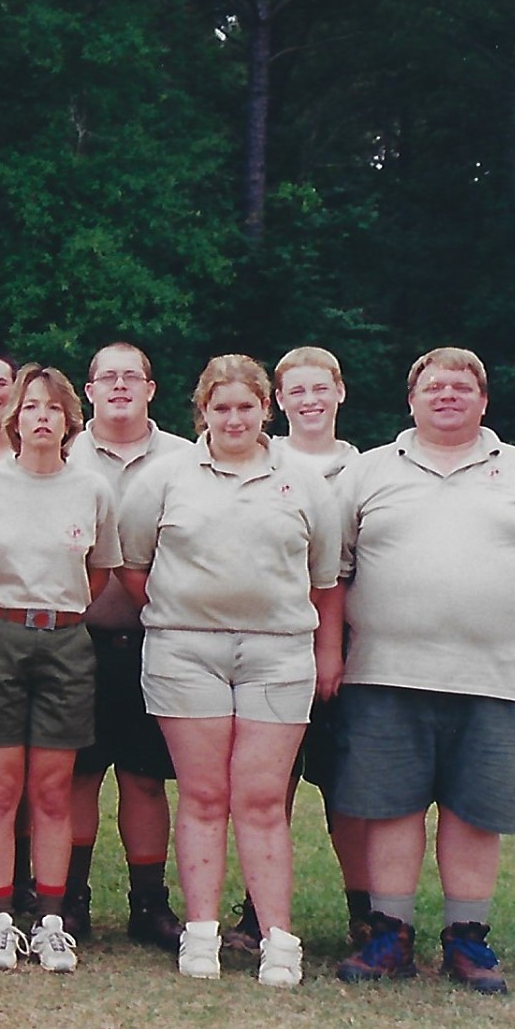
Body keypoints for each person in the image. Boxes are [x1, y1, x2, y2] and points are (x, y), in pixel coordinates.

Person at [117, 355, 340, 987]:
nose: (234, 418)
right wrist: (185, 615)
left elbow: (322, 578)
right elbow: (135, 565)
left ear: (266, 408)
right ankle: (202, 932)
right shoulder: (164, 477)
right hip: (185, 651)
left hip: (278, 652)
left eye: (246, 406)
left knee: (263, 800)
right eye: (221, 408)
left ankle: (278, 939)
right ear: (202, 412)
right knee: (206, 794)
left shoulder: (304, 482)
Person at [334, 347, 515, 995]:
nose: (447, 394)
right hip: (386, 671)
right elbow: (334, 568)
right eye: (433, 385)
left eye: (462, 385)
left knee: (476, 811)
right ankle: (390, 933)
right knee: (392, 807)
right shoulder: (367, 471)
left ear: (484, 400)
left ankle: (468, 940)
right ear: (410, 400)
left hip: (496, 674)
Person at [0, 364, 121, 974]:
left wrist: (56, 616)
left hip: (66, 643)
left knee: (52, 790)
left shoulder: (94, 490)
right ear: (13, 419)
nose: (41, 418)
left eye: (52, 408)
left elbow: (99, 572)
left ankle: (50, 920)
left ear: (69, 419)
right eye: (29, 408)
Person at [66, 342, 190, 946]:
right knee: (79, 774)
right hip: (78, 640)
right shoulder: (63, 454)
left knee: (145, 778)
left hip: (156, 638)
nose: (119, 386)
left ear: (151, 388)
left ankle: (149, 904)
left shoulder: (188, 459)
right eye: (105, 377)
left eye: (130, 377)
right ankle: (72, 898)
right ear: (88, 391)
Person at [270, 345, 366, 949]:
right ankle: (261, 910)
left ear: (339, 393)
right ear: (278, 401)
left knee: (346, 789)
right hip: (271, 644)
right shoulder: (259, 460)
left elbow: (344, 572)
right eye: (295, 391)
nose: (309, 401)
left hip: (345, 651)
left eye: (319, 388)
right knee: (267, 788)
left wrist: (331, 650)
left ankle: (367, 912)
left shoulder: (369, 469)